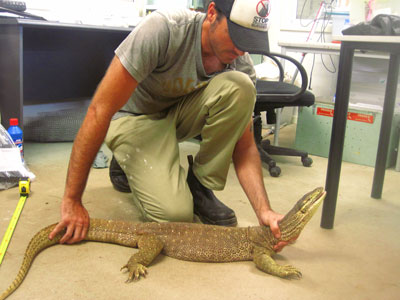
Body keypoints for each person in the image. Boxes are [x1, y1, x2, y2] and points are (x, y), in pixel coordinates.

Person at [49, 0, 289, 252]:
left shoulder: (240, 60)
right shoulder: (165, 29)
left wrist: (264, 211)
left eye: (249, 41)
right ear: (211, 13)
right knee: (174, 216)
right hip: (134, 118)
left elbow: (245, 144)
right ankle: (127, 156)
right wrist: (72, 199)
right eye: (237, 36)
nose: (241, 50)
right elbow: (100, 110)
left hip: (177, 116)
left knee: (241, 86)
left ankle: (200, 186)